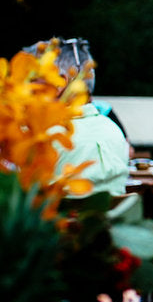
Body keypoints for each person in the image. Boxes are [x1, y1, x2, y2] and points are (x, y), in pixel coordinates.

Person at [25, 38, 131, 196]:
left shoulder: (45, 137)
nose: (26, 89)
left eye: (33, 81)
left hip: (58, 220)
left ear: (60, 83)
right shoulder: (114, 131)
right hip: (112, 220)